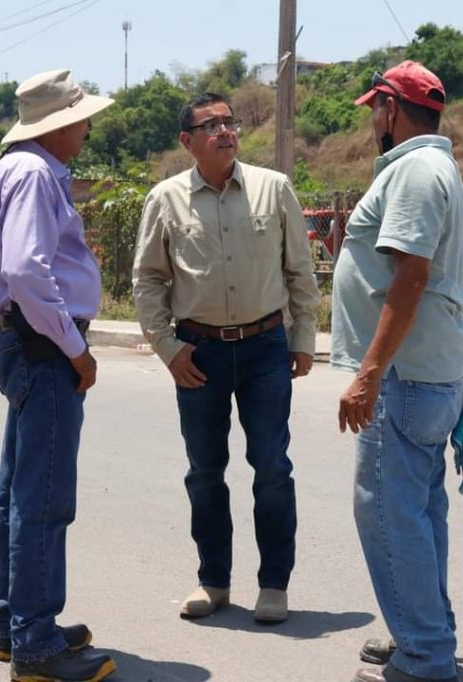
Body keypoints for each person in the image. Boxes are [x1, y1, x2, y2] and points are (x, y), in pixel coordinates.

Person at [132, 92, 320, 624]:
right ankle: (213, 581)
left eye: (229, 122)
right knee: (205, 472)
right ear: (187, 141)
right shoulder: (165, 199)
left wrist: (302, 338)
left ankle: (274, 585)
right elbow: (148, 281)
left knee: (273, 469)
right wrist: (168, 349)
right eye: (209, 125)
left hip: (265, 349)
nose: (224, 131)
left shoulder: (273, 188)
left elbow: (299, 272)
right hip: (199, 354)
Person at [0, 68, 116, 682]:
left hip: (23, 344)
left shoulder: (12, 169)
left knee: (17, 493)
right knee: (43, 500)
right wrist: (75, 347)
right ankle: (35, 643)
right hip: (43, 349)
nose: (86, 128)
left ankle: (17, 624)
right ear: (57, 125)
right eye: (81, 118)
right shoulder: (34, 174)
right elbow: (29, 273)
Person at [331, 61, 463, 682]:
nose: (372, 121)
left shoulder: (415, 170)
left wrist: (368, 372)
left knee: (389, 511)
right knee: (416, 510)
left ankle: (424, 655)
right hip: (422, 370)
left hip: (403, 375)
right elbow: (402, 269)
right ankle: (424, 633)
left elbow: (411, 278)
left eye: (374, 109)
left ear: (391, 108)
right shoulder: (431, 166)